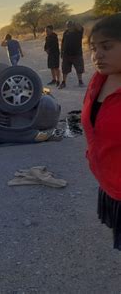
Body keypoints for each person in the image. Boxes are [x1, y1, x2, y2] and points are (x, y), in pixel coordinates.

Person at [81, 13, 121, 250]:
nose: (97, 55)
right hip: (111, 184)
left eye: (107, 46)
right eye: (94, 48)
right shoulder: (98, 80)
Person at [59, 21, 85, 89]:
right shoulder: (66, 32)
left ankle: (80, 81)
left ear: (73, 25)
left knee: (79, 68)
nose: (68, 26)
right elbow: (63, 42)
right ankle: (63, 82)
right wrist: (62, 52)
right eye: (67, 25)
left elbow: (81, 27)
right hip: (66, 54)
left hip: (77, 54)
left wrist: (75, 23)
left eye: (70, 25)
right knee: (64, 69)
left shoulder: (78, 32)